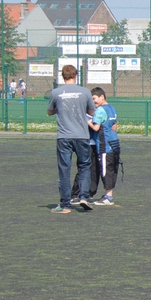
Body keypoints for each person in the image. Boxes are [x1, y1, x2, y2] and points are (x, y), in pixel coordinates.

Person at [47, 64, 95, 213]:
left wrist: (58, 108)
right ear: (76, 76)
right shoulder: (85, 92)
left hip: (64, 137)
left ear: (63, 76)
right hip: (81, 135)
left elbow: (49, 112)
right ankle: (84, 197)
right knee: (85, 167)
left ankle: (65, 205)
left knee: (64, 170)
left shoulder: (56, 93)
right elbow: (91, 111)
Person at [89, 87, 121, 206]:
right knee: (112, 170)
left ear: (102, 96)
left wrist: (87, 120)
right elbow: (114, 125)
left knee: (105, 171)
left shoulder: (100, 110)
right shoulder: (111, 108)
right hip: (114, 144)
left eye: (94, 99)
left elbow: (96, 127)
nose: (93, 102)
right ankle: (109, 195)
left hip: (105, 146)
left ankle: (108, 197)